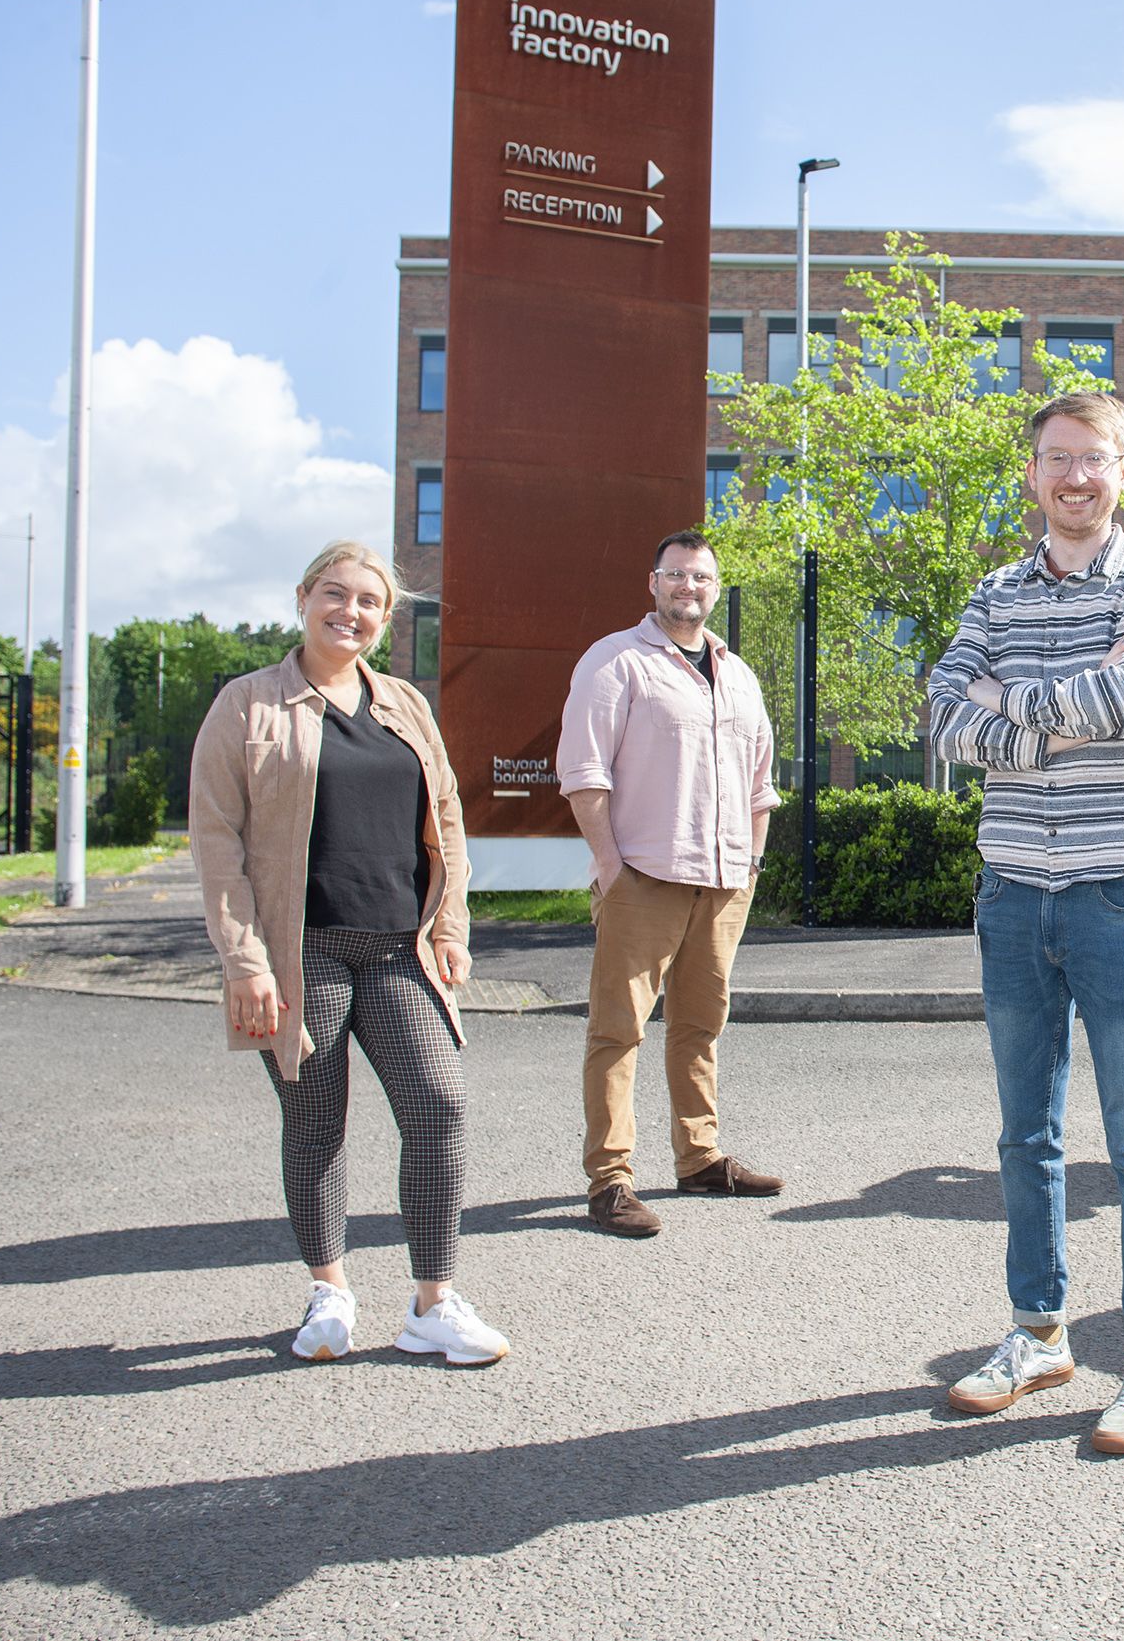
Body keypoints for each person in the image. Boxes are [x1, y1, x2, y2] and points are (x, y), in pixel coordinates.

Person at [922, 389, 1124, 1456]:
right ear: (1031, 474)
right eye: (1056, 459)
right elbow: (944, 717)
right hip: (1010, 894)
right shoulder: (995, 590)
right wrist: (1028, 720)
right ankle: (1039, 1332)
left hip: (1117, 889)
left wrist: (1010, 713)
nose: (1075, 477)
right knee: (1024, 1132)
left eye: (1095, 459)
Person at [189, 539, 508, 1366]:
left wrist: (448, 928)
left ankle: (433, 1303)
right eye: (336, 594)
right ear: (303, 597)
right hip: (305, 951)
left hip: (398, 946)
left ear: (386, 617)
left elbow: (448, 821)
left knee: (439, 1104)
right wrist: (246, 964)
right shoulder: (249, 703)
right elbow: (217, 844)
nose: (352, 612)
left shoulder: (404, 703)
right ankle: (328, 1291)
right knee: (316, 1120)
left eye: (370, 601)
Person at [556, 531, 784, 1241]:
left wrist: (748, 870)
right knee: (617, 1031)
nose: (690, 587)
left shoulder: (738, 675)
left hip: (722, 884)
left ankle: (700, 1157)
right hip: (644, 877)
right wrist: (612, 867)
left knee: (699, 1026)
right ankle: (611, 1180)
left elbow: (760, 787)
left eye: (703, 577)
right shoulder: (615, 661)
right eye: (677, 575)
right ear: (653, 581)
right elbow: (584, 774)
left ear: (717, 588)